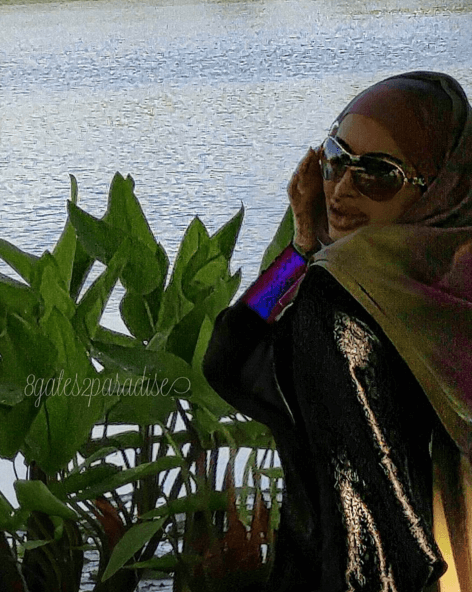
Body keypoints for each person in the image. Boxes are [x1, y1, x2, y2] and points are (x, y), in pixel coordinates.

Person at [202, 71, 472, 592]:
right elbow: (231, 359)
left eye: (379, 174)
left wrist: (301, 255)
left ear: (442, 186)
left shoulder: (338, 297)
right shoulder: (452, 280)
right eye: (335, 159)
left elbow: (369, 534)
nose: (342, 190)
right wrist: (304, 246)